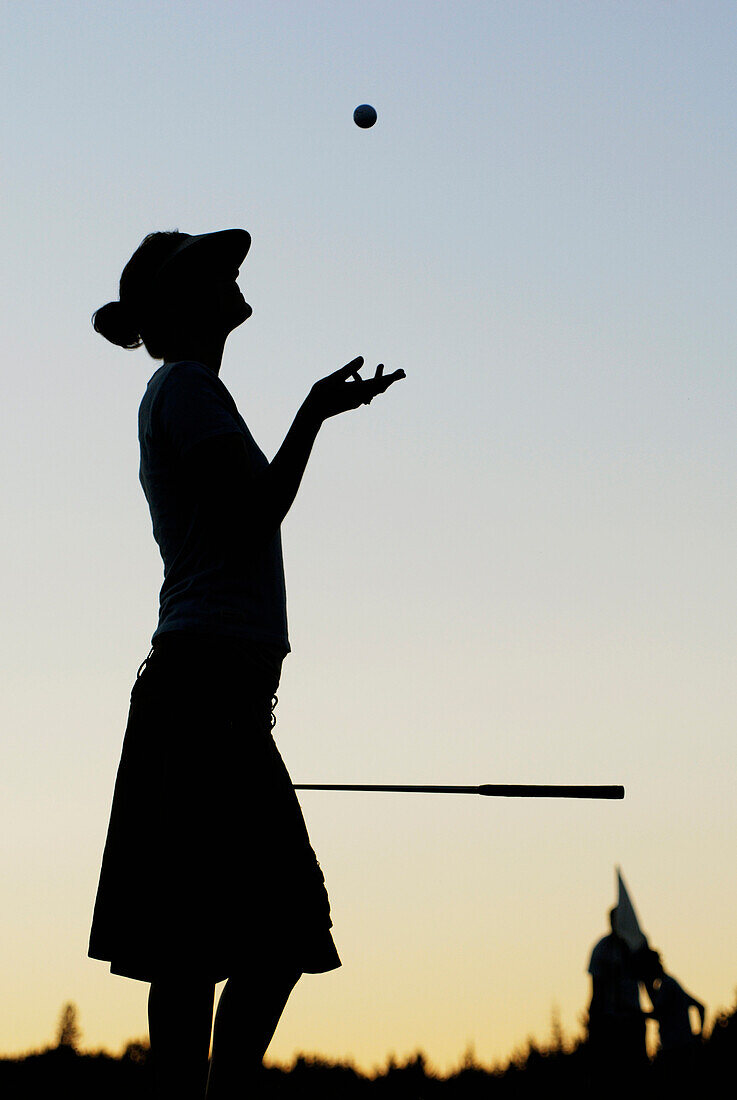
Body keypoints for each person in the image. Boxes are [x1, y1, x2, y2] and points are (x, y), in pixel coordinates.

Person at [87, 228, 405, 1100]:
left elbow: (252, 509)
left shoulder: (193, 393)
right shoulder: (186, 390)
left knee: (241, 939)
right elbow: (261, 506)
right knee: (247, 938)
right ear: (182, 306)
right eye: (211, 271)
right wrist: (312, 411)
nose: (232, 275)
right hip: (201, 698)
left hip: (216, 699)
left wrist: (308, 412)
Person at [586, 908, 648, 1080]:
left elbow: (648, 976)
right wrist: (595, 1018)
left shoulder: (634, 946)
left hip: (633, 1016)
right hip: (611, 1019)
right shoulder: (602, 948)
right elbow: (596, 988)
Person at [642, 948, 705, 1080]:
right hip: (683, 1047)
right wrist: (699, 1034)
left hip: (675, 1049)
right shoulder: (672, 984)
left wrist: (636, 1015)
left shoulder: (667, 986)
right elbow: (700, 1006)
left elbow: (658, 1013)